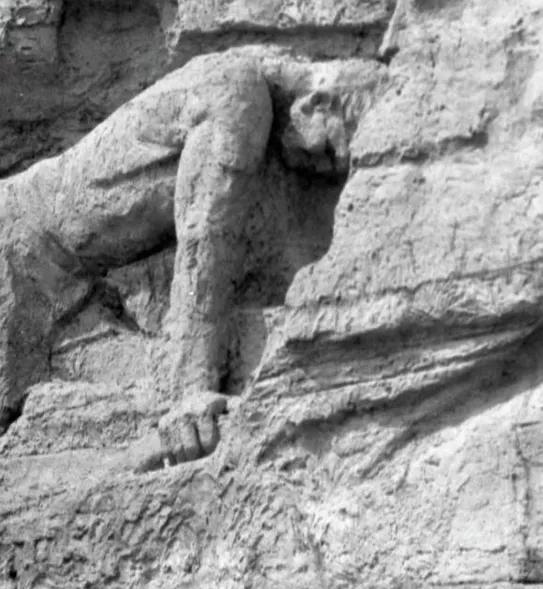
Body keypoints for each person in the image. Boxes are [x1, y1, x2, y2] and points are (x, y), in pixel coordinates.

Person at [0, 50, 377, 464]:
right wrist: (191, 388)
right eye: (332, 151)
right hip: (18, 266)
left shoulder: (252, 109)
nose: (327, 168)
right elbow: (204, 235)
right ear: (316, 103)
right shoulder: (237, 92)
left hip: (75, 297)